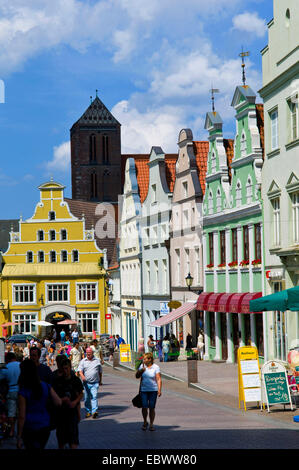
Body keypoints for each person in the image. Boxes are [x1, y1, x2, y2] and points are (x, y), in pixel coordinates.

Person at [17, 358, 62, 449]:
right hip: (44, 424)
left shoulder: (23, 391)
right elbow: (58, 402)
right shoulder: (45, 385)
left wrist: (19, 436)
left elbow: (22, 416)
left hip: (29, 426)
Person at [52, 358, 83, 449]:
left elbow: (80, 394)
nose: (65, 371)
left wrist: (75, 402)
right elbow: (54, 397)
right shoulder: (58, 381)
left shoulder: (76, 380)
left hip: (72, 413)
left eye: (67, 368)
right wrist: (62, 399)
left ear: (70, 368)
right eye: (64, 368)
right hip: (61, 414)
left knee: (73, 440)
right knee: (61, 440)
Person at [135, 353, 162, 432]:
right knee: (144, 406)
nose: (143, 360)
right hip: (144, 390)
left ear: (149, 359)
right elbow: (137, 376)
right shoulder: (142, 367)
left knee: (152, 407)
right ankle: (144, 421)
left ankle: (151, 424)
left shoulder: (156, 367)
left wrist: (159, 389)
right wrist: (141, 371)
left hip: (153, 390)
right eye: (143, 359)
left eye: (145, 359)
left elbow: (158, 379)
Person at [0, 352, 20, 437]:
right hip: (21, 391)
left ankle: (12, 430)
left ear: (7, 359)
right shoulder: (21, 365)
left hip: (11, 391)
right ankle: (20, 432)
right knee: (21, 412)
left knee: (11, 413)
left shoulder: (6, 367)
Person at [78, 348, 102, 419]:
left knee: (94, 397)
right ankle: (88, 411)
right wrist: (82, 376)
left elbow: (100, 372)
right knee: (87, 398)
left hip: (95, 382)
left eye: (89, 352)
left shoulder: (97, 361)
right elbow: (80, 371)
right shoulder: (83, 361)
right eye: (87, 352)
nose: (88, 354)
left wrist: (100, 380)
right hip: (86, 383)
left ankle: (94, 412)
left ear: (92, 353)